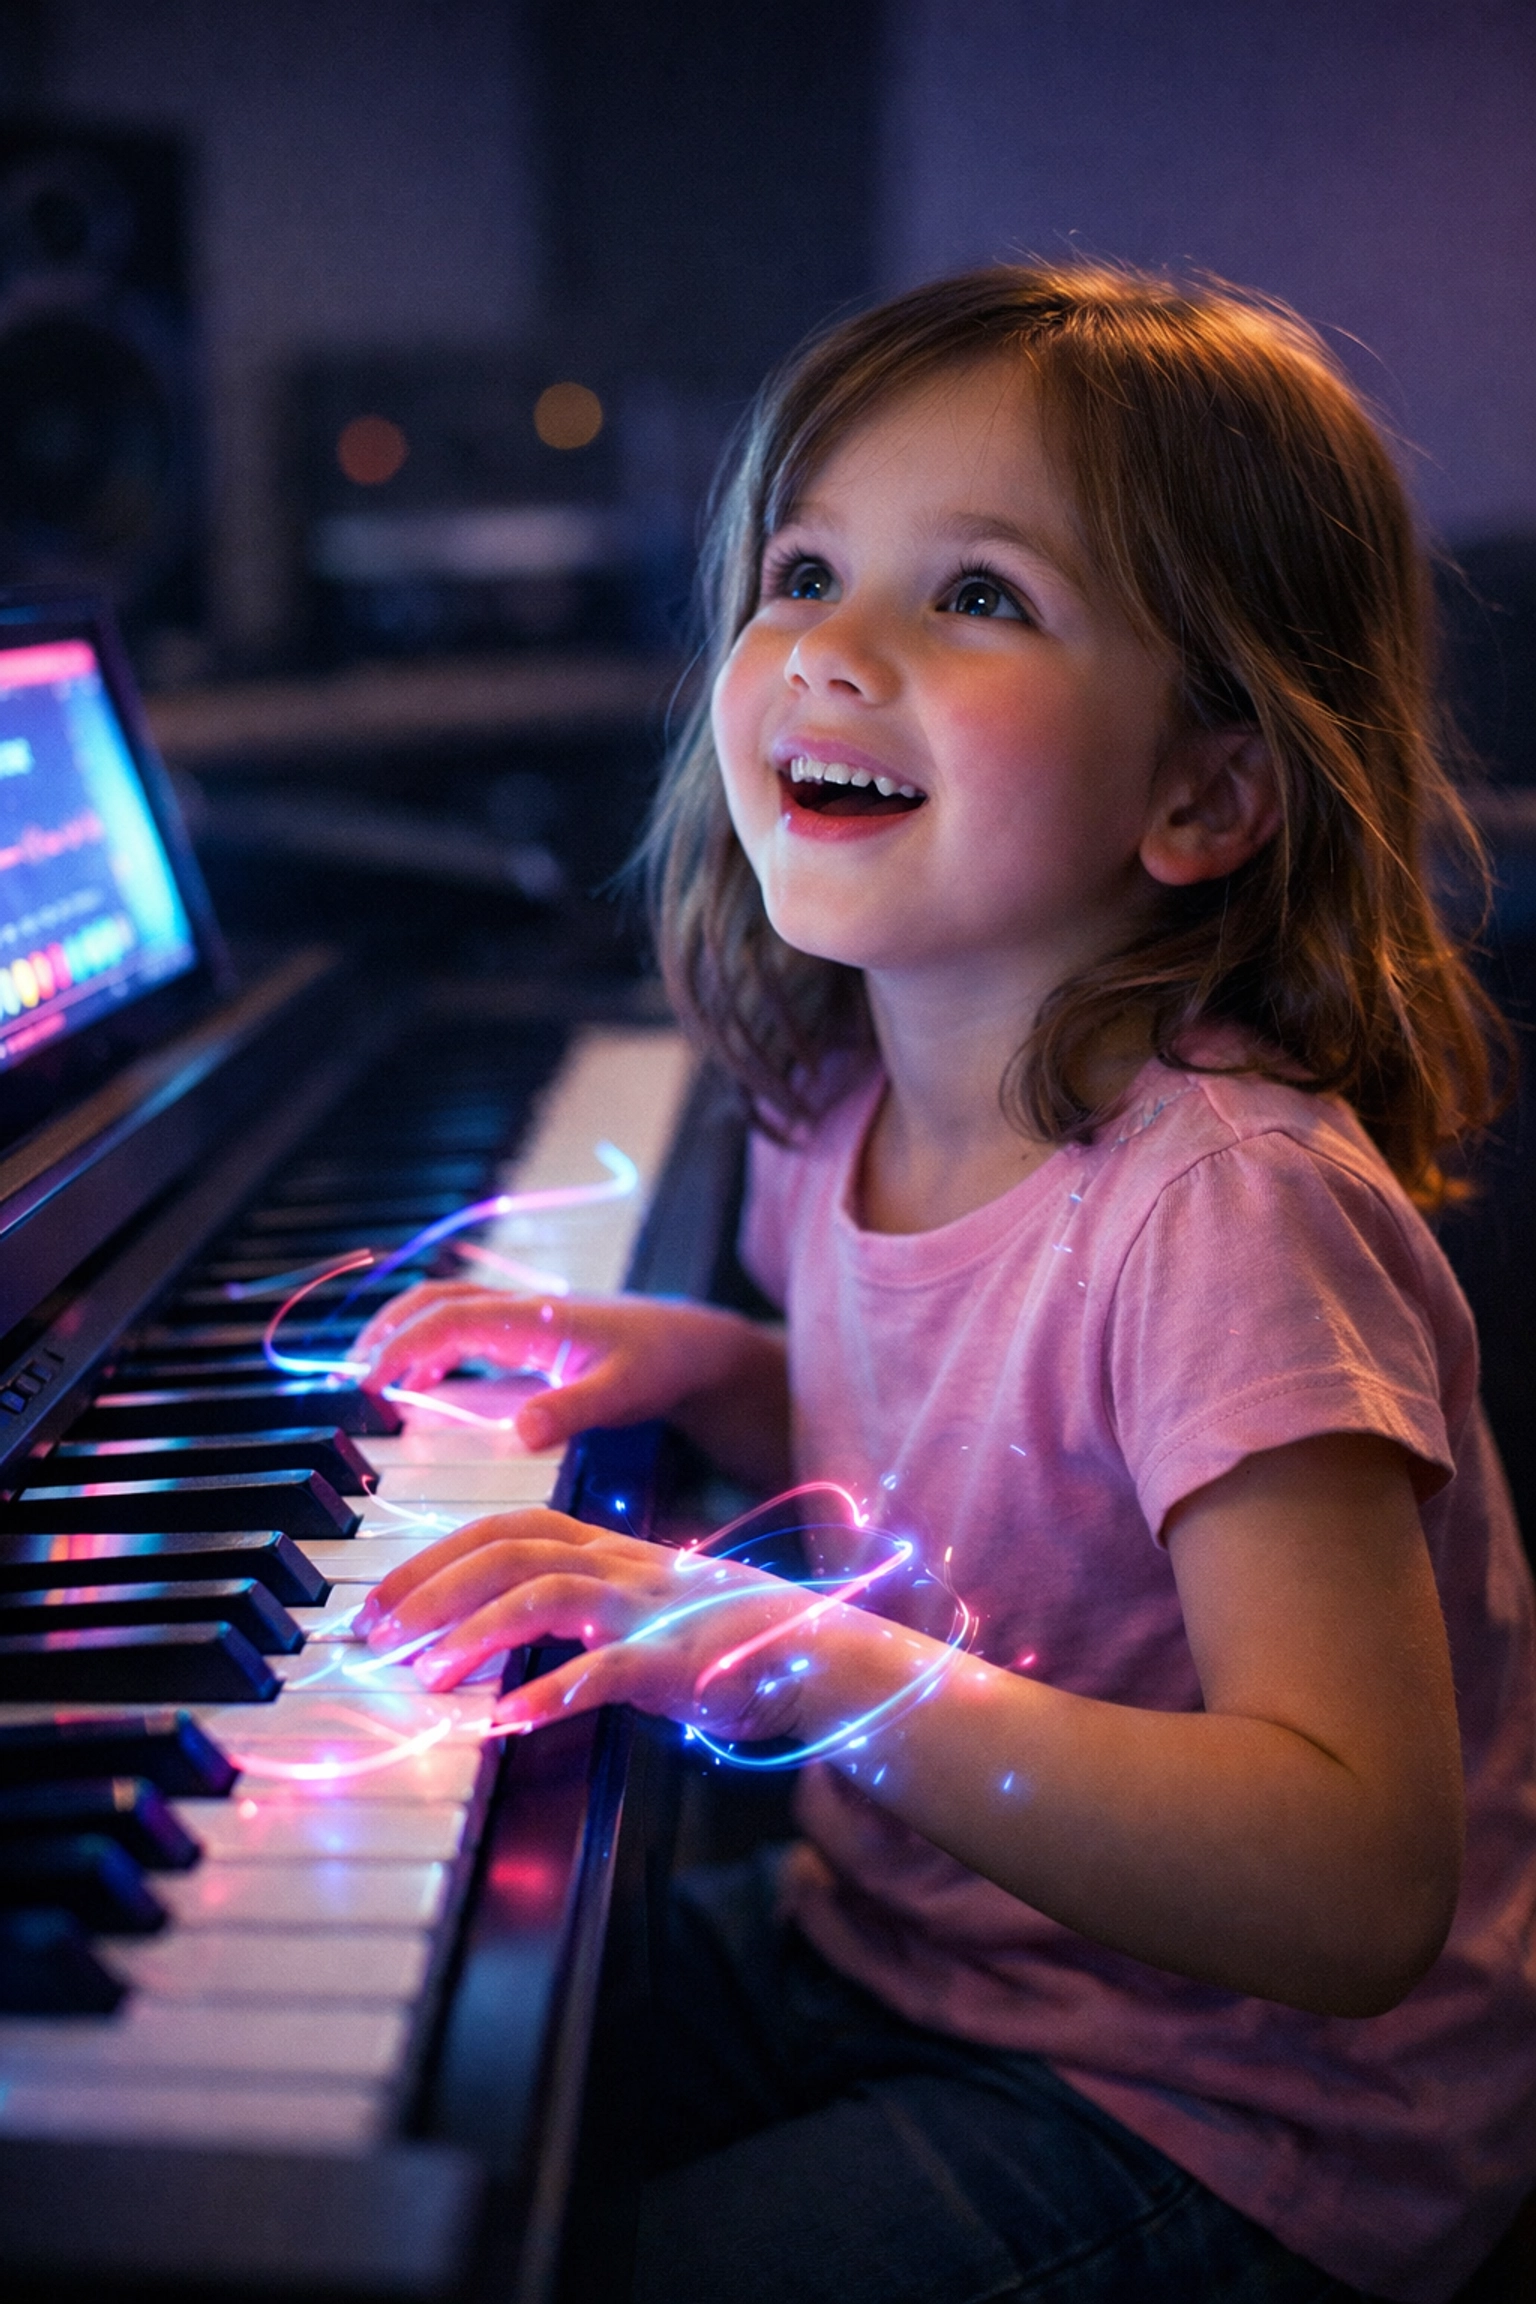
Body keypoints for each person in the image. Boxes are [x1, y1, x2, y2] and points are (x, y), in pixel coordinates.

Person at [353, 265, 1536, 2303]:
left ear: (1206, 792)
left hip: (1233, 2117)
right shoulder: (838, 1098)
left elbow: (1352, 1878)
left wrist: (780, 1648)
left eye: (977, 594)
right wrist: (715, 1367)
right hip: (901, 1944)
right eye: (803, 567)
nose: (832, 649)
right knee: (403, 2133)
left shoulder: (1226, 1212)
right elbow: (995, 1468)